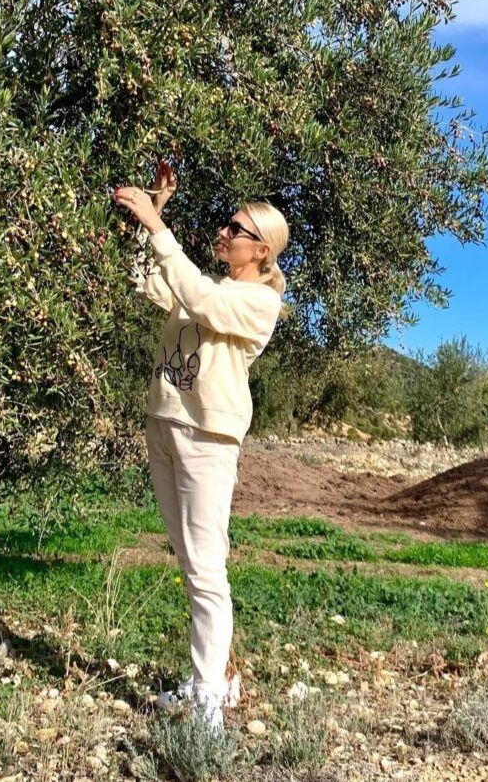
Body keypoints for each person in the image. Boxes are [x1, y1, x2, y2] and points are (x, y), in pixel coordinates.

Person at [113, 163, 289, 733]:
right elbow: (147, 278)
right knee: (191, 562)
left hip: (208, 439)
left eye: (235, 229)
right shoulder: (207, 284)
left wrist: (156, 224)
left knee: (207, 567)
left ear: (260, 250)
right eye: (226, 225)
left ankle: (210, 699)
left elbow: (199, 298)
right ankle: (215, 676)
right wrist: (155, 212)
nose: (223, 232)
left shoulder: (259, 302)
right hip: (165, 424)